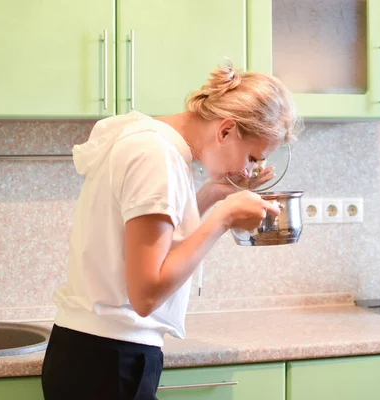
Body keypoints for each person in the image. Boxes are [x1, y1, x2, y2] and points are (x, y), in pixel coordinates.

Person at [41, 59, 302, 400]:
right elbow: (145, 294)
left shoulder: (151, 142)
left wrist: (212, 194)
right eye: (253, 157)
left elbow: (151, 239)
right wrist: (222, 218)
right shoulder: (156, 157)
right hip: (108, 363)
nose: (251, 170)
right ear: (225, 130)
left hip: (94, 356)